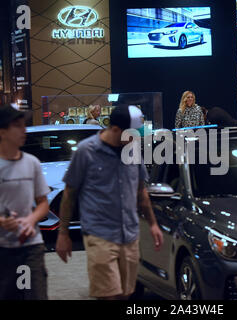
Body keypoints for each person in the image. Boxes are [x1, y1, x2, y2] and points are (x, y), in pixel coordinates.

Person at [55, 105, 163, 300]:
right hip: (99, 235)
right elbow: (69, 194)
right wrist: (63, 234)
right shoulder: (86, 151)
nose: (136, 139)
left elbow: (141, 191)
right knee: (108, 296)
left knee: (125, 294)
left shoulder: (132, 151)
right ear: (115, 130)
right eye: (132, 134)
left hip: (129, 235)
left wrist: (153, 224)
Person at [0, 104, 50, 300]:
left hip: (31, 246)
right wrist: (2, 221)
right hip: (2, 248)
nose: (24, 130)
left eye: (24, 125)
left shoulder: (32, 163)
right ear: (3, 132)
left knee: (34, 294)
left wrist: (31, 220)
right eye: (18, 126)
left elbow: (43, 203)